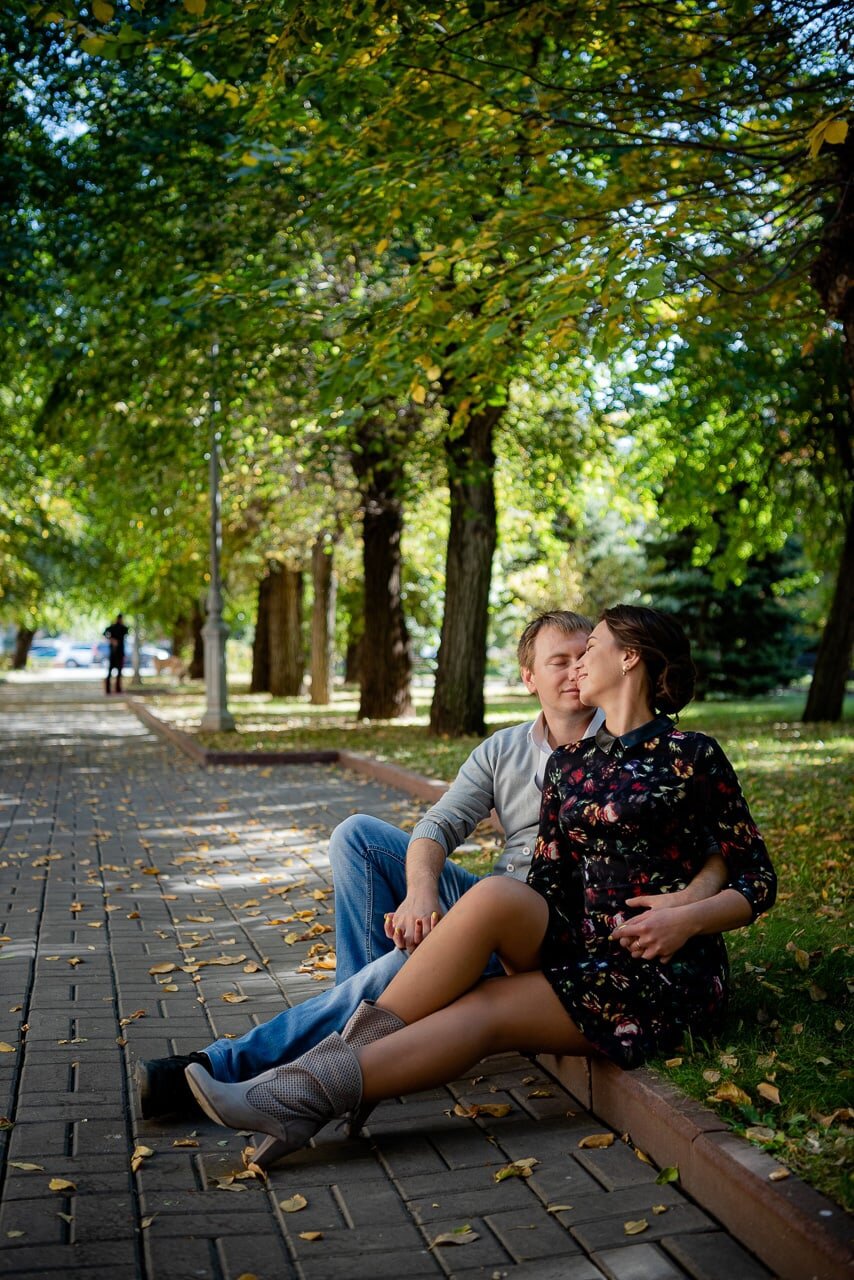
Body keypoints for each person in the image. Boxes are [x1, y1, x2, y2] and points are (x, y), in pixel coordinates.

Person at [181, 604, 777, 1173]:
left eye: (589, 647)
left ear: (629, 660)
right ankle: (302, 1090)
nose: (578, 664)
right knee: (490, 895)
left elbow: (754, 873)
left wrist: (688, 914)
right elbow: (543, 883)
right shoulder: (571, 766)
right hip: (581, 949)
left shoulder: (690, 754)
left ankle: (293, 1096)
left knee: (481, 1011)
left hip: (660, 969)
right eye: (565, 657)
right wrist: (494, 944)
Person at [103, 612, 129, 695]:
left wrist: (111, 639)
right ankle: (116, 689)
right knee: (116, 671)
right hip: (117, 652)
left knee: (112, 671)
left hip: (115, 652)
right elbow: (105, 633)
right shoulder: (121, 627)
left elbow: (105, 633)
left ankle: (110, 689)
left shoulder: (114, 627)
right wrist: (112, 639)